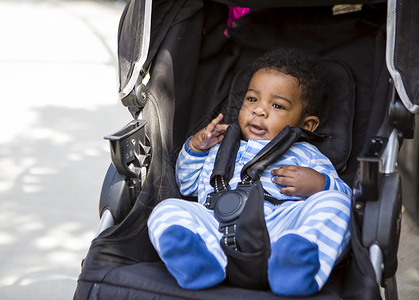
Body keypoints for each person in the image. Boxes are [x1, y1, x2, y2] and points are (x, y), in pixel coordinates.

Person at [147, 48, 352, 296]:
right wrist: (195, 149)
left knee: (337, 203)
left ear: (306, 125)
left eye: (277, 105)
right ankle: (197, 261)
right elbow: (187, 185)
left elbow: (345, 196)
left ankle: (295, 265)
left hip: (278, 232)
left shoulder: (306, 155)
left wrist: (319, 183)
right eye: (252, 99)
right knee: (167, 208)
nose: (259, 110)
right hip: (215, 228)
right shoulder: (221, 146)